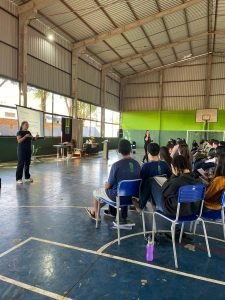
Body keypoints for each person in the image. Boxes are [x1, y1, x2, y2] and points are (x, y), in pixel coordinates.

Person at [85, 139, 141, 223]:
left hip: (117, 198)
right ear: (130, 150)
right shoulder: (137, 164)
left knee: (96, 192)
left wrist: (106, 185)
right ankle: (95, 209)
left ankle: (96, 215)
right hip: (132, 198)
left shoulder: (116, 165)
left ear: (119, 151)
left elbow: (108, 185)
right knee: (120, 189)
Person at [132, 143, 172, 213]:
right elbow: (170, 178)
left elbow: (141, 180)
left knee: (146, 182)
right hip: (163, 194)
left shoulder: (146, 166)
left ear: (148, 153)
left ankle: (141, 204)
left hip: (151, 195)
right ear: (159, 152)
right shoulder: (164, 164)